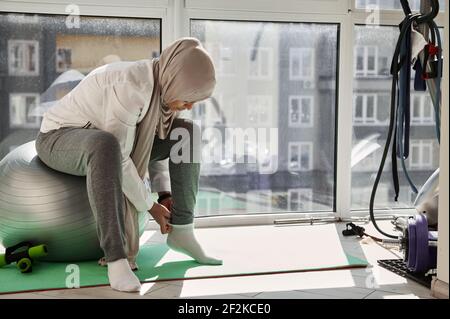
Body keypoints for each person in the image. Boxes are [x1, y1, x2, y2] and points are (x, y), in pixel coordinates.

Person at [35, 37, 222, 292]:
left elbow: (145, 143)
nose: (190, 105)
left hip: (107, 143)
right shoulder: (130, 89)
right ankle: (116, 258)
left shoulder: (161, 85)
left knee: (187, 134)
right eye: (189, 97)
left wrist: (165, 193)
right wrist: (150, 206)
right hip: (59, 137)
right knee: (105, 145)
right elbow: (121, 159)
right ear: (175, 80)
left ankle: (183, 231)